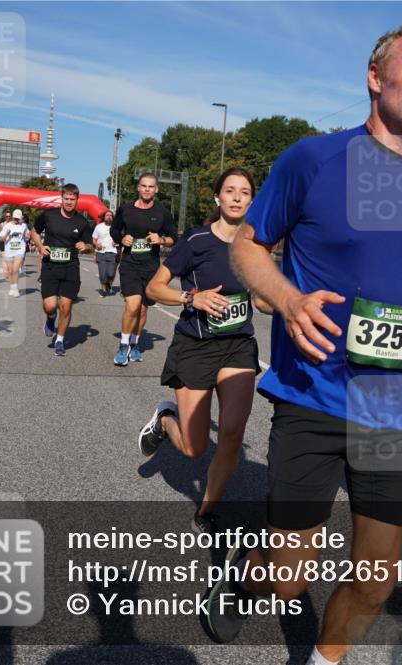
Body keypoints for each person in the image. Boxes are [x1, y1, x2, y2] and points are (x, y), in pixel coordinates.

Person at [208, 21, 402, 665]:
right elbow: (247, 247)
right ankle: (244, 570)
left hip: (394, 410)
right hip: (311, 396)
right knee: (286, 578)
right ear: (375, 79)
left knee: (376, 579)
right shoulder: (313, 159)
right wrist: (287, 300)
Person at [140, 167, 269, 534]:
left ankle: (206, 510)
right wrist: (191, 298)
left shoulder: (257, 245)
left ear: (251, 200)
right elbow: (154, 288)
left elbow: (260, 300)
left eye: (245, 192)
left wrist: (293, 304)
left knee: (232, 432)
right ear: (218, 197)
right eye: (230, 190)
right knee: (195, 448)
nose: (237, 197)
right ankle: (166, 420)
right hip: (195, 347)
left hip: (237, 348)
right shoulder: (196, 240)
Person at [110, 172, 177, 365]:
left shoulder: (162, 213)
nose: (147, 189)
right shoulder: (125, 209)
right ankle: (123, 345)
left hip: (151, 266)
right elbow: (114, 230)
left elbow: (175, 238)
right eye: (144, 186)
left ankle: (135, 343)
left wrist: (162, 239)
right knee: (132, 306)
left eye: (151, 186)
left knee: (142, 311)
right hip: (130, 264)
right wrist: (122, 239)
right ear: (138, 188)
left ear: (156, 189)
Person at [29, 183, 93, 357]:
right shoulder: (49, 216)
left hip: (71, 268)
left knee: (65, 307)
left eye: (73, 199)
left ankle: (59, 340)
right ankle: (51, 318)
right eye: (66, 199)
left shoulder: (82, 221)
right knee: (50, 306)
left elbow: (90, 244)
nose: (69, 202)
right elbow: (33, 232)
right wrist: (40, 246)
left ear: (77, 200)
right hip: (50, 266)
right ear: (61, 198)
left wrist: (85, 246)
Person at [0, 209, 29, 297]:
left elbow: (28, 235)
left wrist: (28, 235)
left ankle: (15, 288)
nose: (16, 220)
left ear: (21, 218)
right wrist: (6, 234)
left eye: (18, 218)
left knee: (16, 270)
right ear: (12, 216)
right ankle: (12, 287)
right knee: (11, 271)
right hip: (9, 250)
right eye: (15, 218)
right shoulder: (7, 226)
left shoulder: (24, 225)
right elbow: (1, 239)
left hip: (19, 250)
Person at [91, 210, 118, 297]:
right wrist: (96, 244)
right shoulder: (99, 227)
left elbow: (120, 239)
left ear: (112, 217)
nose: (109, 217)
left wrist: (116, 241)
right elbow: (94, 239)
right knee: (103, 274)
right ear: (104, 217)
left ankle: (108, 284)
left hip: (112, 252)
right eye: (107, 215)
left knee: (111, 274)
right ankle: (103, 289)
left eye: (111, 215)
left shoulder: (116, 227)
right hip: (101, 253)